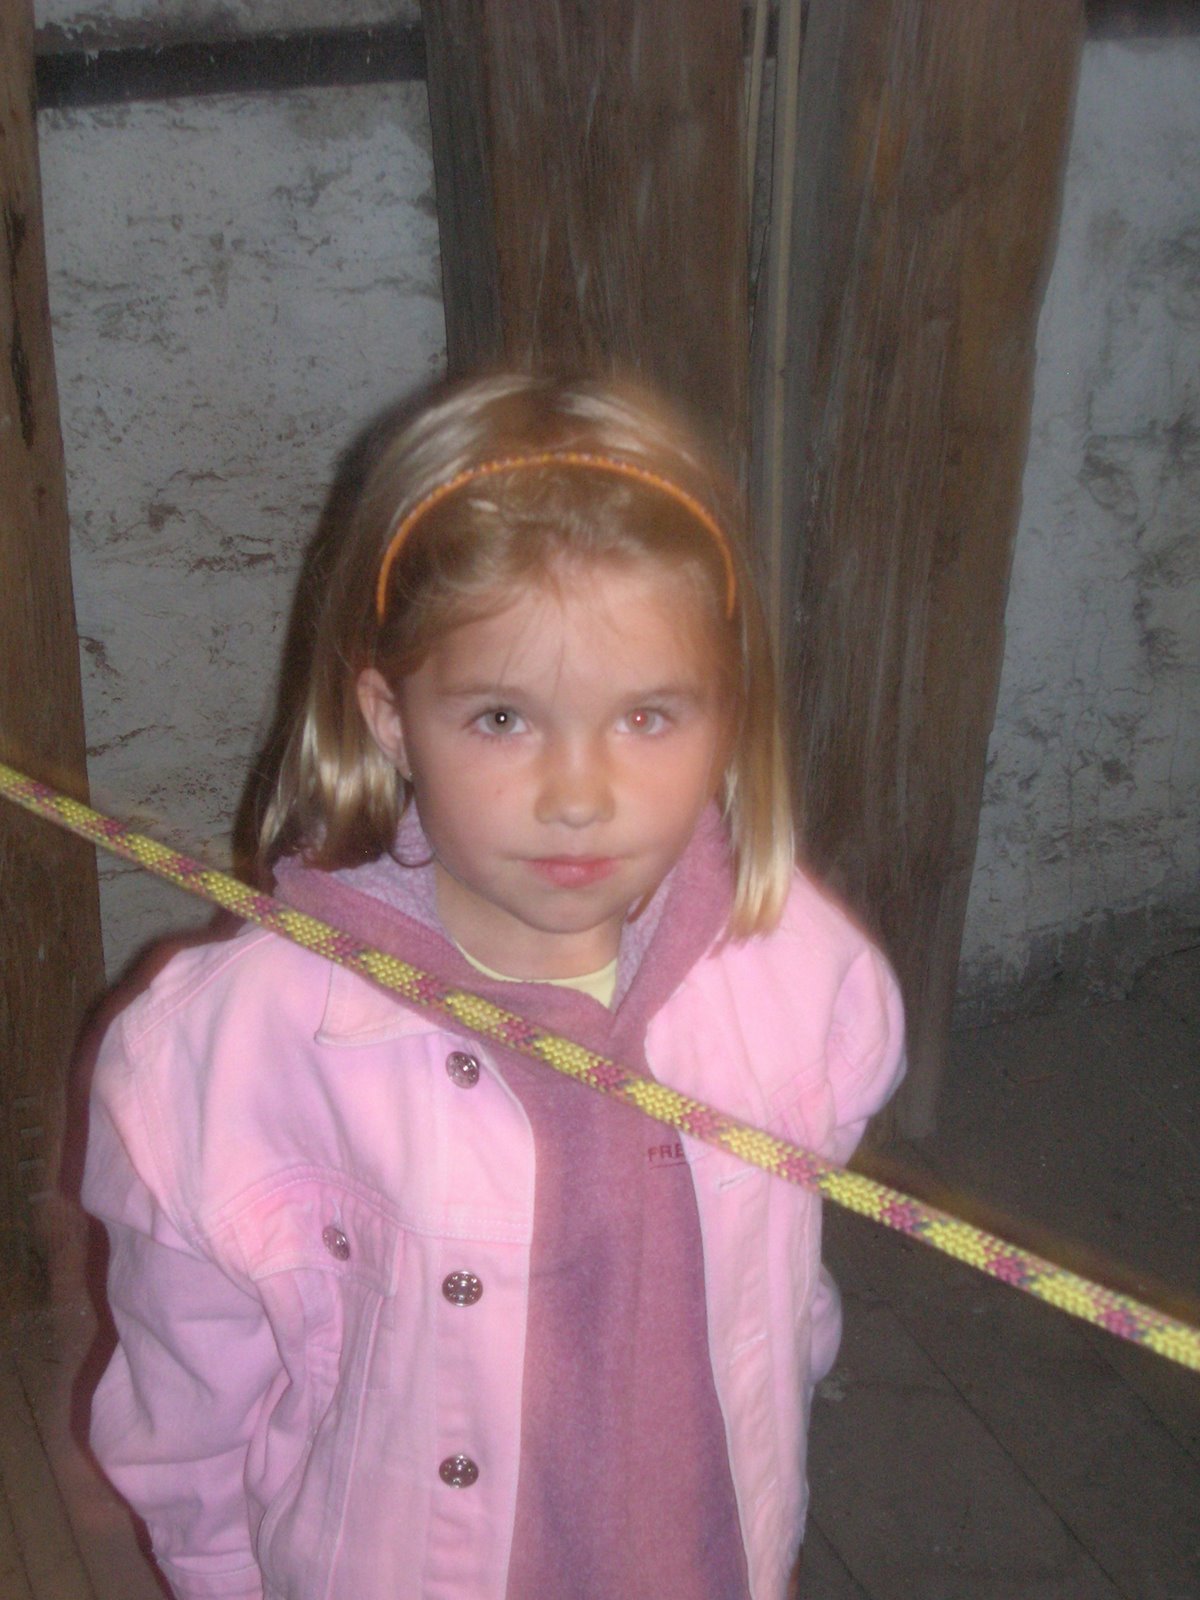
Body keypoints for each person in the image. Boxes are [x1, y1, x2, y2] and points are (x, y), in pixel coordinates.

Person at [83, 373, 905, 1600]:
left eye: (647, 717)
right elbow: (186, 1416)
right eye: (505, 718)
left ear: (728, 716)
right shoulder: (230, 1054)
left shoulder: (805, 981)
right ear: (391, 717)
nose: (578, 795)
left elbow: (788, 1292)